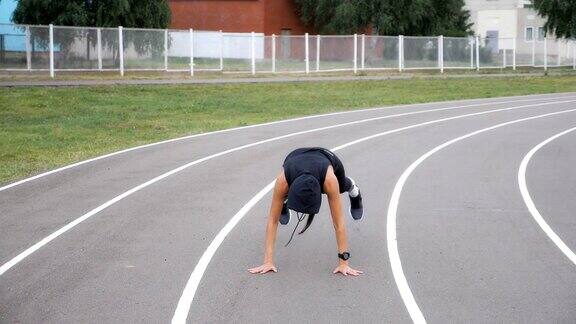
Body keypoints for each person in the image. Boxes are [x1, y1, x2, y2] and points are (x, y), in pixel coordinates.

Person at [248, 147, 364, 276]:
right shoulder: (282, 181)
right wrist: (268, 261)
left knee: (341, 186)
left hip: (326, 157)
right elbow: (272, 221)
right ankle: (283, 202)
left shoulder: (329, 181)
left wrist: (344, 263)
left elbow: (339, 223)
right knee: (280, 196)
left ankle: (354, 190)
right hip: (295, 157)